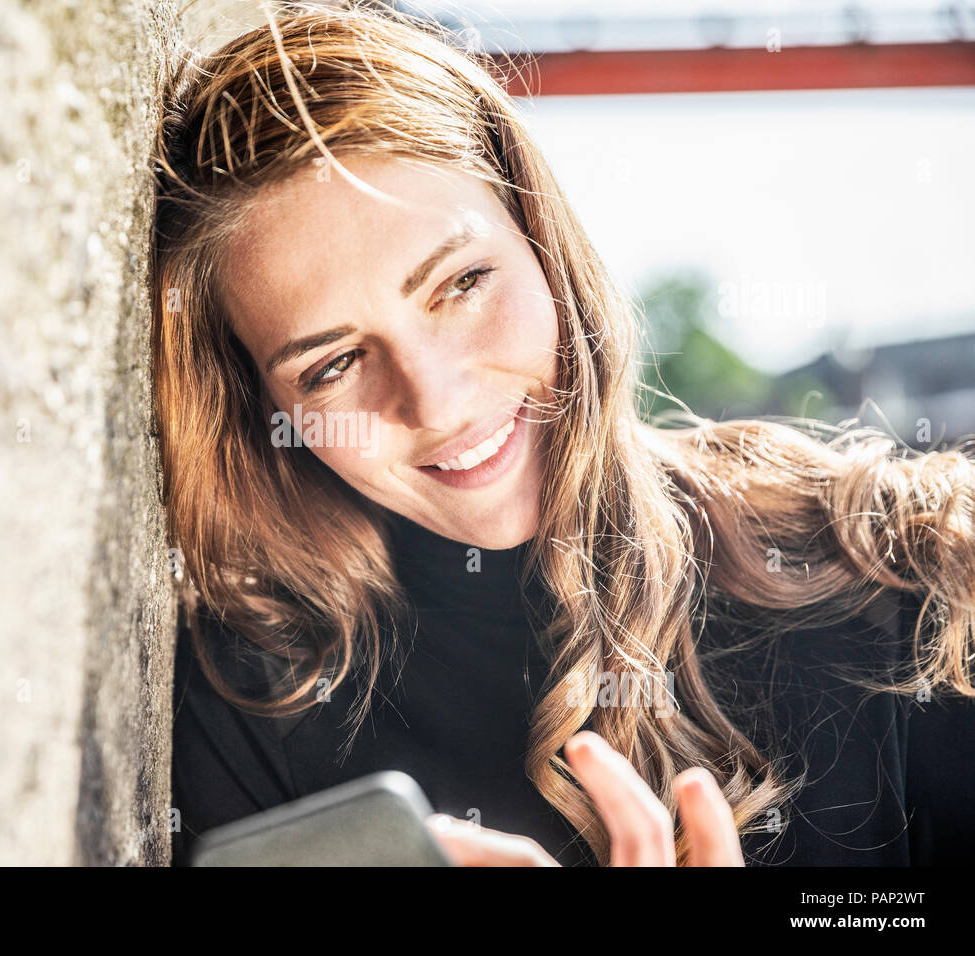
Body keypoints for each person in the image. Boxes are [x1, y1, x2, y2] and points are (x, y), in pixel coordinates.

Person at [150, 3, 975, 866]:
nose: (436, 403)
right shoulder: (243, 712)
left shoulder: (915, 575)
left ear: (542, 238)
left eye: (463, 283)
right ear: (262, 411)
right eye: (331, 365)